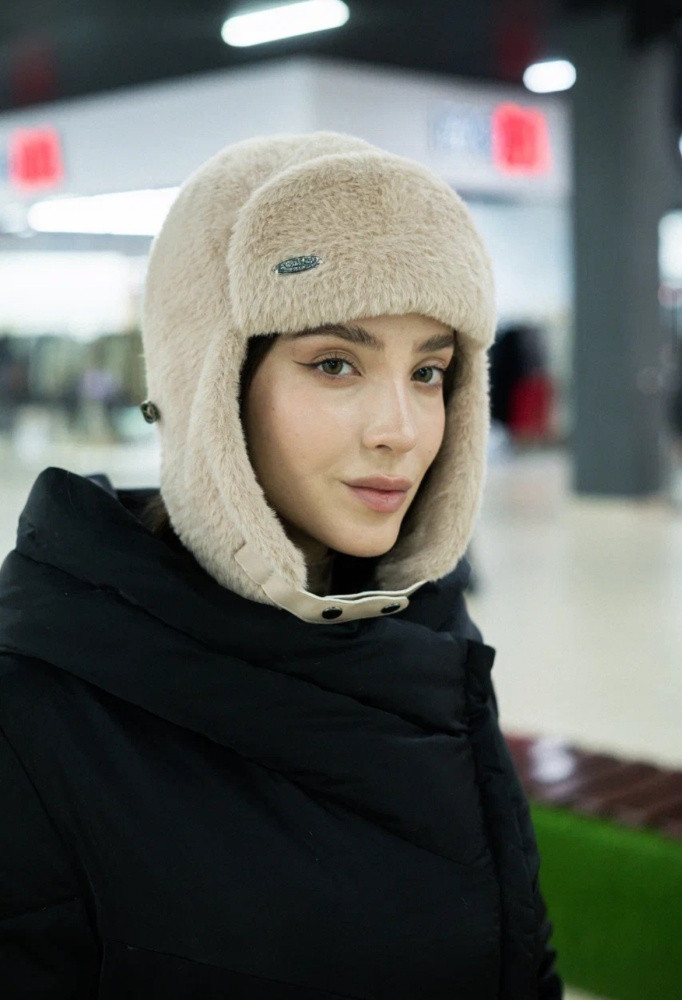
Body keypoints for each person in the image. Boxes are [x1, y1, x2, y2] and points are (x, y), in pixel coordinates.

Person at [0, 132, 563, 998]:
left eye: (429, 371)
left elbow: (519, 953)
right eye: (335, 364)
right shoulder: (34, 713)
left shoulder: (431, 634)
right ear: (210, 382)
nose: (401, 429)